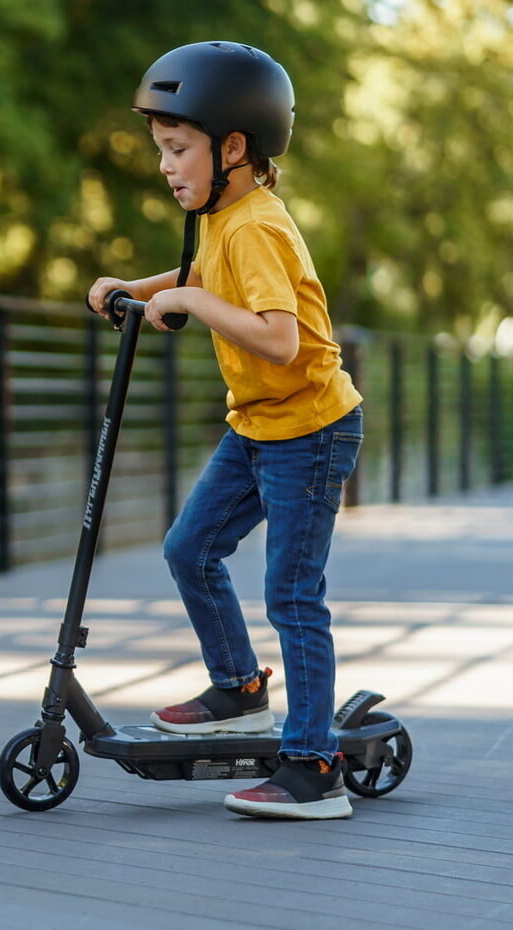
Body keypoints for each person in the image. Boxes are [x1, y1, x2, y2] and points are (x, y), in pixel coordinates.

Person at [88, 41, 364, 820]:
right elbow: (202, 281)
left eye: (178, 150)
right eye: (163, 152)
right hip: (258, 427)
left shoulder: (255, 227)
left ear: (233, 147)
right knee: (190, 548)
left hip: (310, 430)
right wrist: (134, 290)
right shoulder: (223, 218)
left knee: (293, 595)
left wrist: (190, 307)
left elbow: (278, 338)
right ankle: (240, 687)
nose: (168, 167)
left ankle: (315, 768)